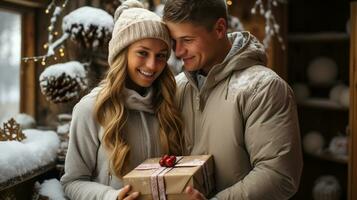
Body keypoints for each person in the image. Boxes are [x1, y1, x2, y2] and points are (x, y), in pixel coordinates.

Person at [162, 0, 303, 199]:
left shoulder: (264, 88)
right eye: (174, 41)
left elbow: (279, 175)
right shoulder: (176, 88)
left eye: (187, 40)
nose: (178, 52)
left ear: (219, 28)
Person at [60, 1, 184, 199]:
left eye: (161, 56)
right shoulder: (90, 108)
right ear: (121, 52)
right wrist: (111, 196)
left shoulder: (170, 103)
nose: (152, 65)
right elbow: (72, 182)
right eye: (142, 53)